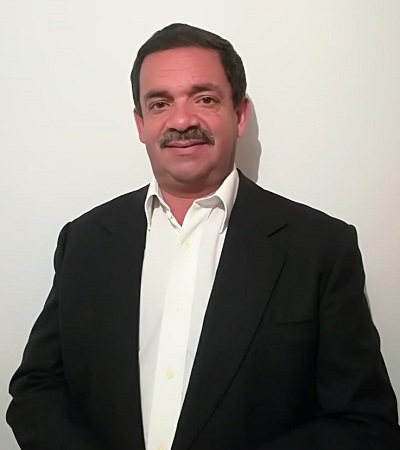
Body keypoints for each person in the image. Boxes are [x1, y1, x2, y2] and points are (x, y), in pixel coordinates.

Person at [7, 23, 400, 450]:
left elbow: (365, 423)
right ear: (140, 123)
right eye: (160, 103)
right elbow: (36, 389)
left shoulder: (320, 247)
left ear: (240, 114)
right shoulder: (84, 241)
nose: (181, 121)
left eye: (205, 98)